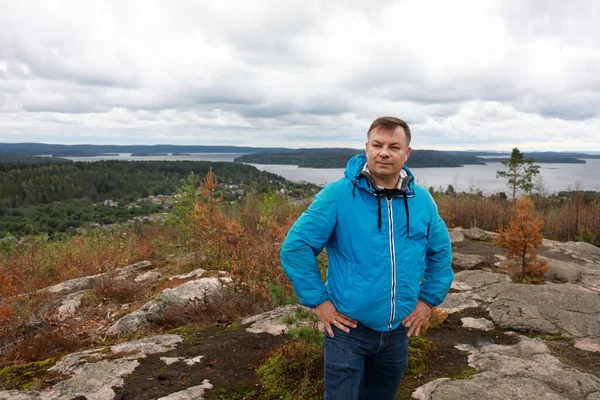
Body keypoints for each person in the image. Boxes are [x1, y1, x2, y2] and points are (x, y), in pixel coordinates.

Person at [280, 116, 454, 399]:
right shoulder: (338, 195)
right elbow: (295, 247)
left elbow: (440, 253)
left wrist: (428, 301)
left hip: (399, 330)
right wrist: (320, 302)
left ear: (406, 153)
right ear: (367, 148)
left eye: (394, 146)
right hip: (348, 330)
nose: (384, 152)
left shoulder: (422, 200)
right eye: (377, 145)